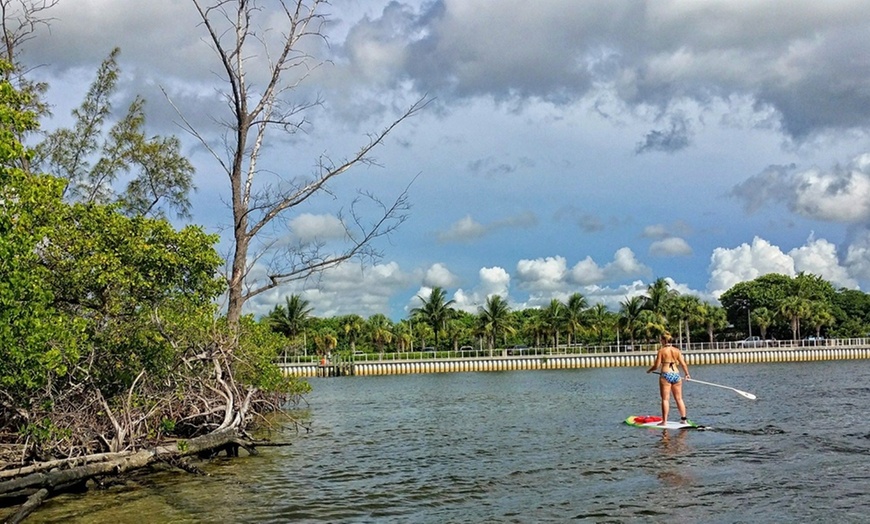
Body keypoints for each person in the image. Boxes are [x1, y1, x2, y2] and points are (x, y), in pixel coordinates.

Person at [646, 333, 690, 426]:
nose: (660, 342)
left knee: (665, 399)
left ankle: (664, 421)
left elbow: (656, 366)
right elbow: (683, 364)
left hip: (666, 375)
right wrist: (687, 374)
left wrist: (649, 370)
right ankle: (684, 419)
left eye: (661, 340)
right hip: (676, 375)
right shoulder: (677, 350)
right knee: (679, 398)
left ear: (664, 340)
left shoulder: (662, 351)